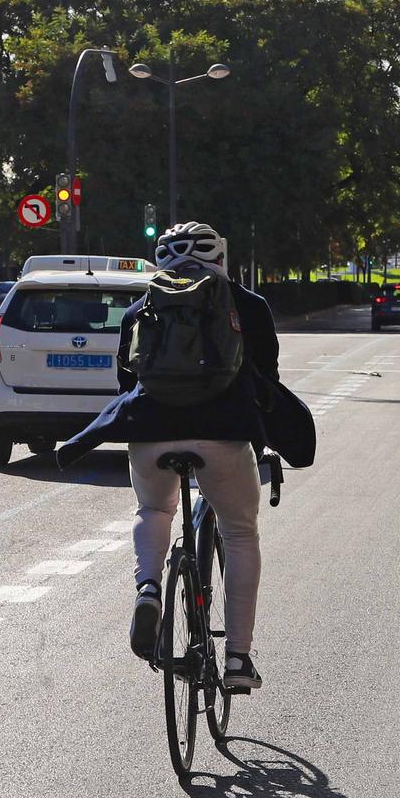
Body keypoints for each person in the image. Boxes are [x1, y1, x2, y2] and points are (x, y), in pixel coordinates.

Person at [56, 223, 314, 694]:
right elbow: (267, 386)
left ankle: (150, 587)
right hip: (224, 435)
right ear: (221, 258)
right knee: (240, 533)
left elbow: (124, 384)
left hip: (151, 430)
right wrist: (264, 444)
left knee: (154, 509)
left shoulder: (140, 308)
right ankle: (237, 656)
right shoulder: (249, 306)